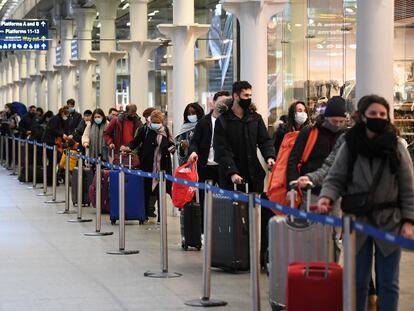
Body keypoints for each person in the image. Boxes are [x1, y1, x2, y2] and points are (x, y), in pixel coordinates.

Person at [316, 94, 414, 311]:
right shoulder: (350, 145)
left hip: (390, 222)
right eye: (373, 114)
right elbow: (335, 178)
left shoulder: (397, 148)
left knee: (389, 283)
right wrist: (326, 197)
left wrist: (408, 221)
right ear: (362, 116)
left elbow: (409, 188)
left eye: (382, 114)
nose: (378, 117)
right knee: (358, 282)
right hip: (356, 224)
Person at [213, 80, 275, 192]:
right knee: (234, 209)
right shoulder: (223, 121)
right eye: (246, 95)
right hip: (231, 179)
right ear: (236, 96)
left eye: (250, 95)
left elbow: (264, 140)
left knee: (254, 208)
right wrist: (232, 172)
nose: (249, 98)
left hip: (254, 176)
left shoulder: (255, 118)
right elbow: (221, 149)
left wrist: (269, 156)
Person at [286, 96, 347, 208]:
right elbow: (293, 160)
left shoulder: (345, 136)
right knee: (311, 224)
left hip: (337, 195)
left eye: (341, 121)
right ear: (326, 117)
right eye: (334, 121)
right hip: (310, 193)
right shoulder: (309, 132)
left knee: (337, 225)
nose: (337, 124)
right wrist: (292, 188)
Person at [188, 92, 231, 231]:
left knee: (226, 196)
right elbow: (195, 141)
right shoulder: (203, 122)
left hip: (224, 165)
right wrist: (193, 151)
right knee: (202, 197)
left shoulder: (230, 121)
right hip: (205, 164)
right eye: (220, 102)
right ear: (213, 103)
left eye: (226, 102)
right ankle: (202, 229)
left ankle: (224, 227)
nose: (223, 105)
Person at [123, 110, 175, 221]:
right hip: (147, 165)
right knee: (146, 190)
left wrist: (173, 149)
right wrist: (128, 147)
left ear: (161, 121)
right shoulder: (145, 130)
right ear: (150, 120)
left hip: (163, 166)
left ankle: (161, 217)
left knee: (162, 191)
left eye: (158, 121)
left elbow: (171, 144)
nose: (156, 123)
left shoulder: (165, 130)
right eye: (154, 121)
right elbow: (135, 141)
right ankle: (144, 215)